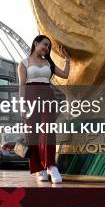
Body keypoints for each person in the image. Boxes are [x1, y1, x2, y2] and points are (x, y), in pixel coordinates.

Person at [17, 35, 70, 184]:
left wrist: (67, 60)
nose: (46, 48)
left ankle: (51, 166)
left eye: (48, 47)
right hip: (30, 97)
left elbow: (65, 75)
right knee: (32, 135)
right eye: (44, 44)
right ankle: (39, 168)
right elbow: (22, 85)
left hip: (47, 96)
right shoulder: (24, 63)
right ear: (36, 43)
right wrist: (22, 104)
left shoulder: (48, 63)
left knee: (48, 132)